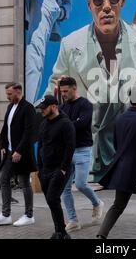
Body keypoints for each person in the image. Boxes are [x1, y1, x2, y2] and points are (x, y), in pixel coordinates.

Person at [44, 0, 136, 182]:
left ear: (123, 0)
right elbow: (51, 97)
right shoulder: (70, 45)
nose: (106, 7)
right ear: (90, 4)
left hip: (129, 163)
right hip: (87, 165)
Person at [97, 86, 136, 239]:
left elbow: (116, 144)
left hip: (122, 170)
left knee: (118, 205)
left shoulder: (120, 118)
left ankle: (101, 234)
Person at [25, 0, 72, 103]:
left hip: (47, 3)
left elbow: (68, 3)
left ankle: (27, 104)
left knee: (35, 54)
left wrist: (59, 12)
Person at [58, 77, 104, 232]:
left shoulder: (85, 104)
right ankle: (73, 220)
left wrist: (65, 125)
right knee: (64, 188)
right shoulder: (63, 106)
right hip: (66, 151)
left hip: (82, 149)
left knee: (80, 184)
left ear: (74, 88)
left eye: (66, 91)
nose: (63, 94)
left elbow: (82, 123)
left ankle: (97, 202)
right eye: (62, 91)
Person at [0, 83, 37, 227]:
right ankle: (5, 215)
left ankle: (29, 215)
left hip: (22, 153)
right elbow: (5, 129)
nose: (7, 97)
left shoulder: (28, 108)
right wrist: (3, 145)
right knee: (3, 178)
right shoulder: (10, 107)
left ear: (18, 92)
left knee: (24, 182)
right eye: (7, 94)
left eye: (10, 94)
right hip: (10, 152)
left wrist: (19, 151)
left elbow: (29, 132)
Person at [36, 95, 76, 239]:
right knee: (51, 201)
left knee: (53, 199)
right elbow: (40, 146)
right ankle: (59, 231)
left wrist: (63, 169)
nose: (42, 111)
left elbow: (70, 147)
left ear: (54, 106)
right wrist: (39, 169)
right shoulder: (43, 124)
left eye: (44, 108)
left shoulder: (66, 124)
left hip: (59, 169)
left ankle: (62, 232)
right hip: (45, 170)